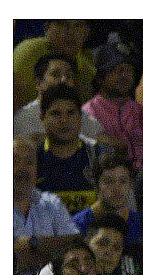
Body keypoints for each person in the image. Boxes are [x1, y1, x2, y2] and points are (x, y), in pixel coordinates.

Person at [83, 39, 143, 171]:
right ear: (100, 77)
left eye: (129, 70)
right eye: (117, 70)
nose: (125, 76)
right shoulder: (87, 113)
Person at [13, 136, 82, 275]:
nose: (22, 169)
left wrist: (33, 243)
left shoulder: (51, 203)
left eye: (29, 162)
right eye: (14, 161)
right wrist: (50, 252)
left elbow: (73, 246)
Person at [36, 83, 103, 215]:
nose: (64, 120)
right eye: (56, 114)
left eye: (71, 113)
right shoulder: (31, 160)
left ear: (80, 117)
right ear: (42, 118)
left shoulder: (99, 157)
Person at [13, 52, 105, 140]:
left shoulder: (81, 114)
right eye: (56, 75)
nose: (64, 80)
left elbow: (103, 141)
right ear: (39, 83)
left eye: (68, 76)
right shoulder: (24, 117)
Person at [13, 20, 94, 109]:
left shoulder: (88, 69)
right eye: (62, 24)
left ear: (87, 32)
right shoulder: (30, 52)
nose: (71, 32)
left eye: (78, 25)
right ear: (47, 28)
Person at [74, 151, 143, 246]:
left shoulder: (140, 224)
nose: (117, 189)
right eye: (109, 181)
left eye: (123, 181)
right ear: (96, 185)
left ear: (130, 184)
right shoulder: (77, 225)